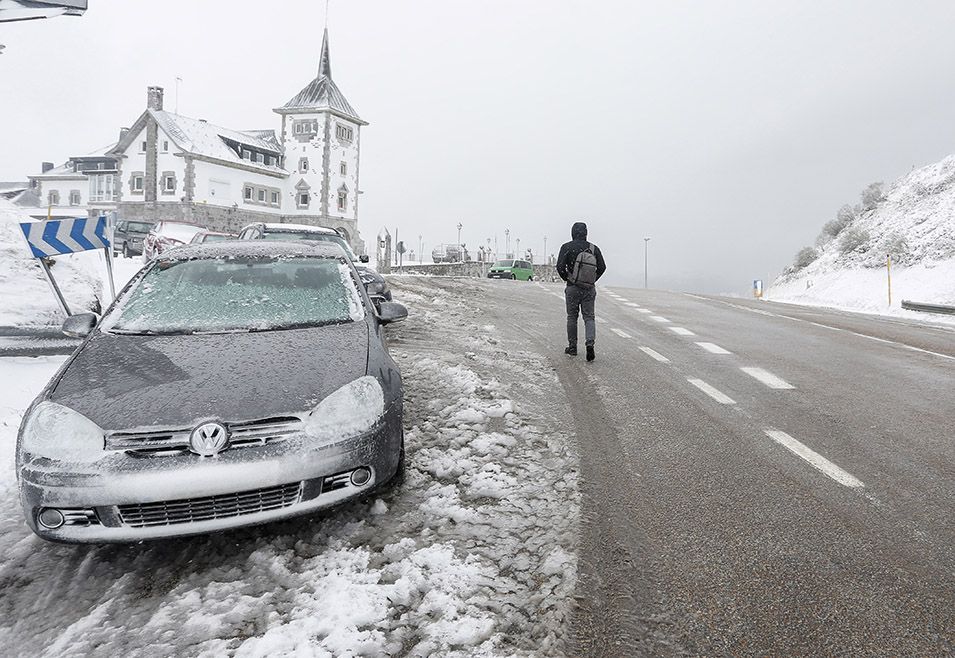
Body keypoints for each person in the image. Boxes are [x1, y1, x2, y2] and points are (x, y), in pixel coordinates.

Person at [556, 222, 606, 361]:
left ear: (573, 232)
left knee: (572, 317)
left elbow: (559, 266)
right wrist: (592, 280)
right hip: (589, 289)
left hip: (572, 287)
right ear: (586, 233)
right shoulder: (593, 248)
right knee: (589, 317)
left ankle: (572, 347)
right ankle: (590, 344)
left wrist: (568, 278)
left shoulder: (567, 247)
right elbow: (602, 267)